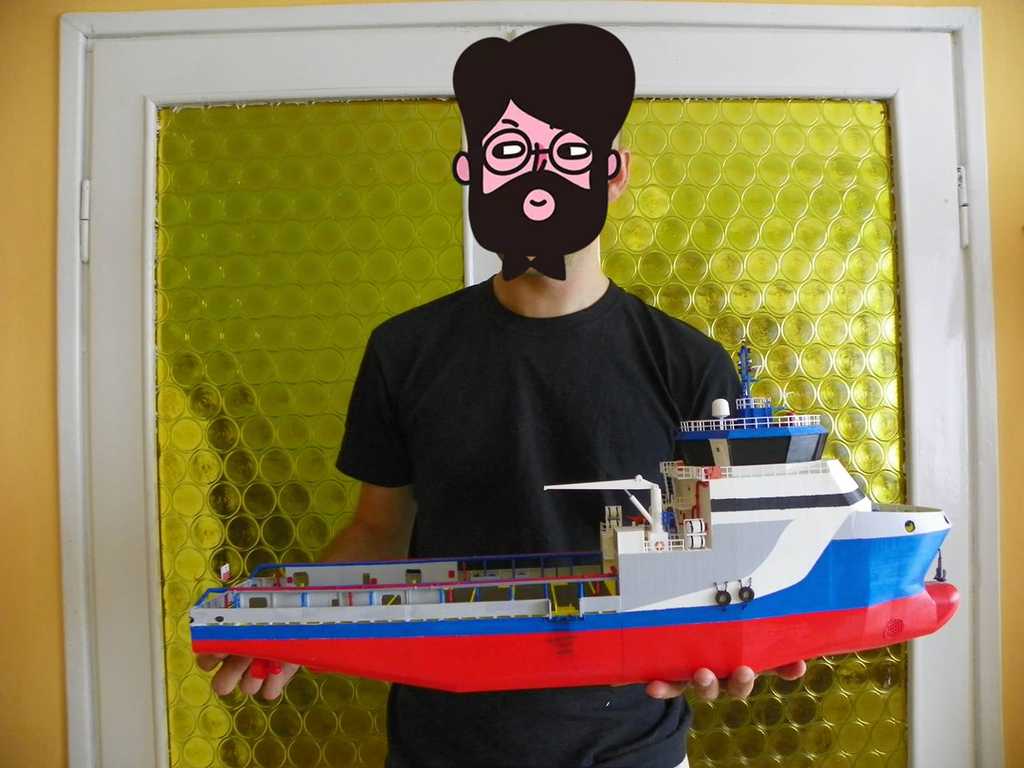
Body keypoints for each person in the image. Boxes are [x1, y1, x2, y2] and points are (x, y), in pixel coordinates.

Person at [197, 22, 806, 768]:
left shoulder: (691, 368)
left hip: (633, 750)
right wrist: (292, 613)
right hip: (440, 748)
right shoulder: (404, 351)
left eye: (568, 153)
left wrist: (741, 642)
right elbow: (379, 530)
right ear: (474, 172)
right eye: (509, 153)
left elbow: (722, 562)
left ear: (613, 172)